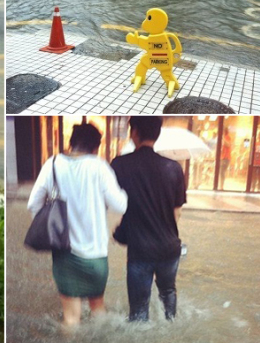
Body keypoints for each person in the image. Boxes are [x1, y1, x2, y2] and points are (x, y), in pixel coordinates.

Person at [27, 122, 128, 328]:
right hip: (96, 257)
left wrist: (52, 228)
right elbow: (120, 205)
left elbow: (33, 204)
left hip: (65, 253)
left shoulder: (53, 164)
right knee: (98, 309)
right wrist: (124, 192)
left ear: (71, 143)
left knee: (71, 319)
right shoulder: (100, 166)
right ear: (95, 147)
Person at [111, 117, 187, 322]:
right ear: (158, 133)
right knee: (168, 292)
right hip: (169, 247)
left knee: (138, 311)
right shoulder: (174, 168)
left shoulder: (120, 164)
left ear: (133, 132)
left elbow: (112, 202)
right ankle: (171, 326)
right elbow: (176, 213)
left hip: (140, 249)